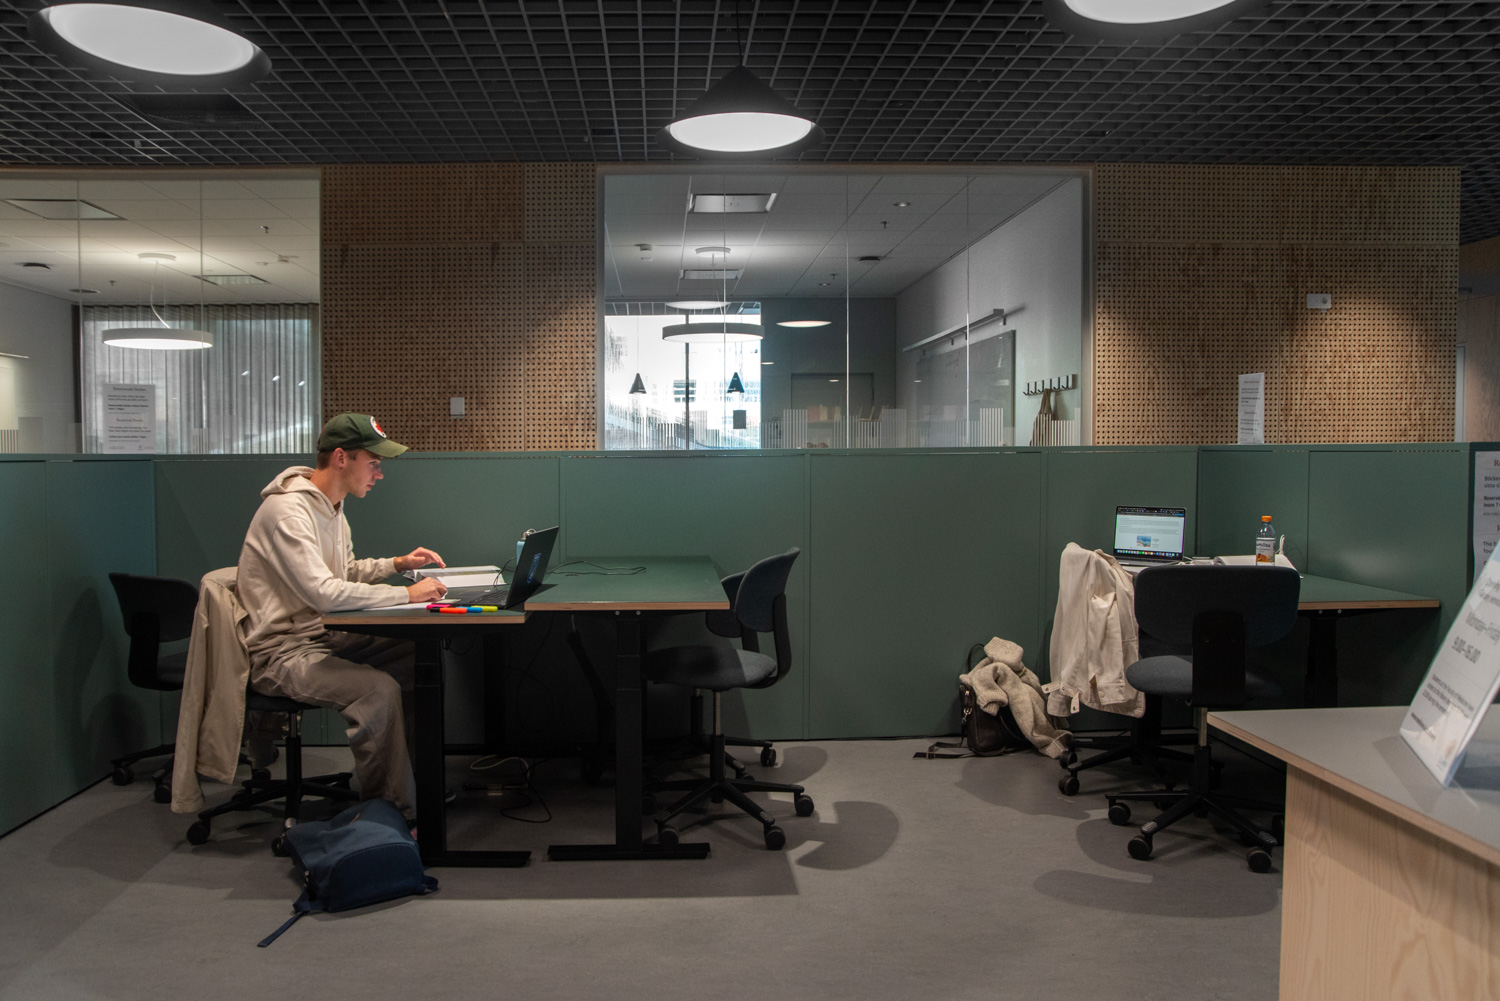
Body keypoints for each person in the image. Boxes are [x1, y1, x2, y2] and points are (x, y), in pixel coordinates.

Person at [236, 413, 448, 824]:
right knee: (376, 690)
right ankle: (391, 815)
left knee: (416, 654)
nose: (379, 474)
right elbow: (324, 593)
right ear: (340, 458)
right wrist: (406, 594)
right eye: (374, 463)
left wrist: (396, 564)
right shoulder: (288, 512)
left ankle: (410, 783)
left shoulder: (332, 506)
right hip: (280, 652)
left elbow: (344, 573)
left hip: (320, 634)